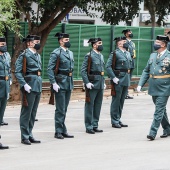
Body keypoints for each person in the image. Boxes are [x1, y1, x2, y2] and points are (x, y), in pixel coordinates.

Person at [137, 35, 170, 141]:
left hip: (165, 87)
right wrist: (140, 84)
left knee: (158, 110)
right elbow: (146, 70)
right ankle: (168, 129)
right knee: (161, 110)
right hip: (153, 86)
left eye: (157, 43)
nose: (155, 44)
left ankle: (152, 132)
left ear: (164, 44)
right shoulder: (152, 55)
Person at [15, 35, 42, 145]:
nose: (38, 43)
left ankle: (30, 133)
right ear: (29, 43)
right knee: (26, 112)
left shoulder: (37, 55)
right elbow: (18, 72)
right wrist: (24, 84)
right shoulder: (24, 55)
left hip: (37, 85)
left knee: (33, 112)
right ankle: (24, 136)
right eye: (36, 41)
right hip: (29, 85)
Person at [47, 32, 74, 139]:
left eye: (68, 39)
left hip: (68, 82)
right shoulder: (56, 53)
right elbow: (50, 69)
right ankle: (58, 131)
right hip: (60, 82)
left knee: (65, 108)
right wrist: (53, 82)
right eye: (66, 40)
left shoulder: (70, 53)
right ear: (60, 41)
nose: (68, 41)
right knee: (60, 109)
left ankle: (63, 129)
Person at [81, 38, 105, 134]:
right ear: (94, 45)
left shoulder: (101, 56)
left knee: (98, 105)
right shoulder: (89, 56)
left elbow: (101, 71)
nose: (101, 45)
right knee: (90, 105)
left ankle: (95, 124)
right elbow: (83, 71)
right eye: (99, 43)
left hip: (99, 83)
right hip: (92, 83)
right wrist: (87, 82)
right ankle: (89, 126)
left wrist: (103, 82)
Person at [106, 36, 131, 128]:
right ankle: (114, 120)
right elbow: (108, 66)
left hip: (126, 78)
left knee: (121, 100)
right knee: (116, 100)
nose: (126, 42)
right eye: (124, 41)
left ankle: (118, 118)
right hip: (118, 79)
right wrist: (113, 77)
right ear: (119, 43)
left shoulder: (127, 53)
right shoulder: (115, 53)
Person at [0, 37, 11, 149]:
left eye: (5, 44)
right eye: (2, 44)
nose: (4, 46)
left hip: (5, 86)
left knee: (1, 115)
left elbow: (8, 70)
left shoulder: (5, 56)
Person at [122, 29, 136, 99]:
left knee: (129, 79)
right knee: (126, 79)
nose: (131, 33)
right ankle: (124, 93)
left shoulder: (132, 43)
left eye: (131, 32)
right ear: (126, 34)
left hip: (132, 62)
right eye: (129, 32)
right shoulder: (124, 42)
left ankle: (126, 93)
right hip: (127, 63)